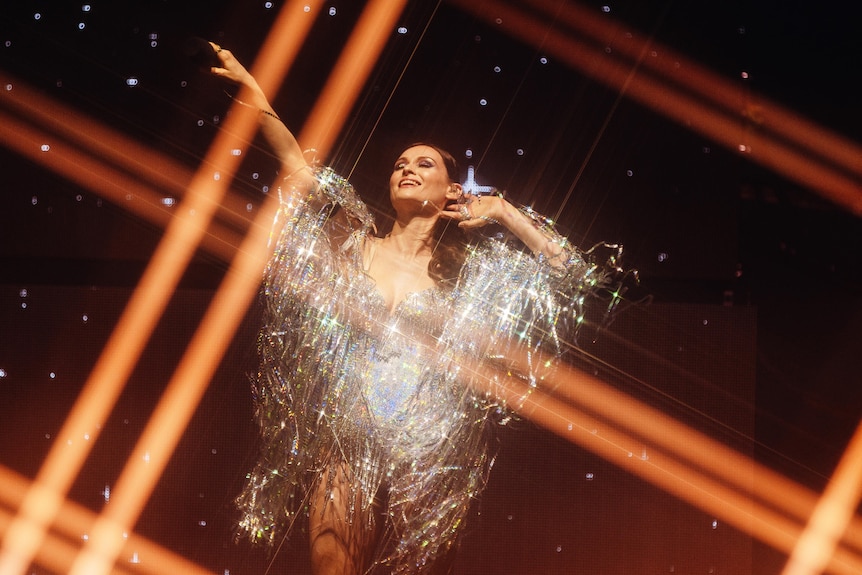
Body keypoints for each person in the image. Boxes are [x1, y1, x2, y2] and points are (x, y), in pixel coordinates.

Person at [208, 43, 609, 575]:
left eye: (424, 164)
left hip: (426, 460)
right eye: (400, 164)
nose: (406, 170)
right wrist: (253, 93)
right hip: (346, 446)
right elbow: (298, 169)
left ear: (451, 191)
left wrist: (505, 213)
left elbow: (572, 275)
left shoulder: (467, 282)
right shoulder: (353, 244)